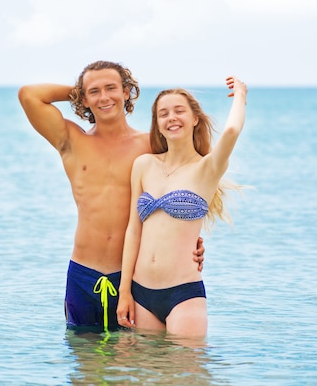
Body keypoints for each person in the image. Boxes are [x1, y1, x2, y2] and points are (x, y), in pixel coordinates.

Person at [17, 61, 205, 333]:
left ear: (127, 92)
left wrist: (191, 240)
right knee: (84, 365)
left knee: (136, 364)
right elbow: (29, 95)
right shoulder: (71, 140)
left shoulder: (151, 145)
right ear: (83, 98)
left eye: (111, 89)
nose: (104, 97)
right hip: (83, 273)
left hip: (134, 278)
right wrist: (82, 92)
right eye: (94, 92)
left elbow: (185, 189)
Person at [116, 76, 248, 338]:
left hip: (183, 293)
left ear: (195, 119)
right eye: (163, 114)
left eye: (179, 111)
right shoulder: (144, 165)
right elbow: (133, 230)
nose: (171, 118)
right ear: (158, 125)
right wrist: (124, 292)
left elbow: (231, 132)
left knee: (189, 376)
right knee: (146, 374)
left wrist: (241, 95)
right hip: (140, 292)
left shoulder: (207, 168)